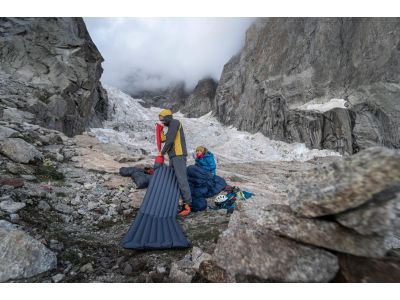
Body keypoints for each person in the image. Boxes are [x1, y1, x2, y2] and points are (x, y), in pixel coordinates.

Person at [158, 109, 192, 216]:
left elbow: (170, 140)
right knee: (174, 179)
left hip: (178, 155)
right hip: (173, 156)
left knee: (182, 180)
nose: (162, 121)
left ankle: (187, 205)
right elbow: (165, 139)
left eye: (162, 119)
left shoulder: (175, 123)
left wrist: (162, 153)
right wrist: (160, 130)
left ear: (168, 116)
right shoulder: (170, 126)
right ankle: (178, 202)